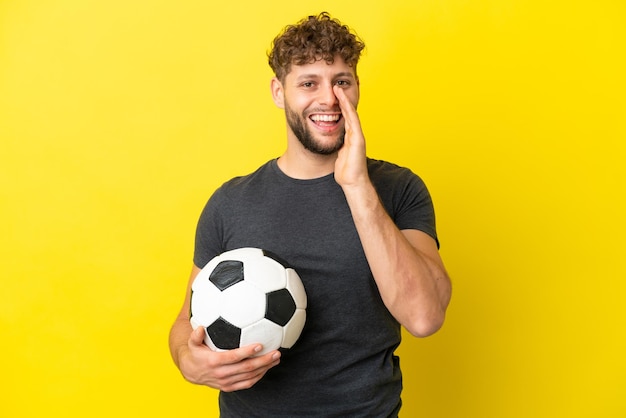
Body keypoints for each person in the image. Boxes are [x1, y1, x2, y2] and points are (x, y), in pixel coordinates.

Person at [169, 12, 452, 417]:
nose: (329, 99)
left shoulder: (398, 189)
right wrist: (186, 358)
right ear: (278, 92)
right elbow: (185, 321)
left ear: (356, 88)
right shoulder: (230, 203)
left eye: (342, 81)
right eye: (308, 83)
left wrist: (357, 188)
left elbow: (424, 317)